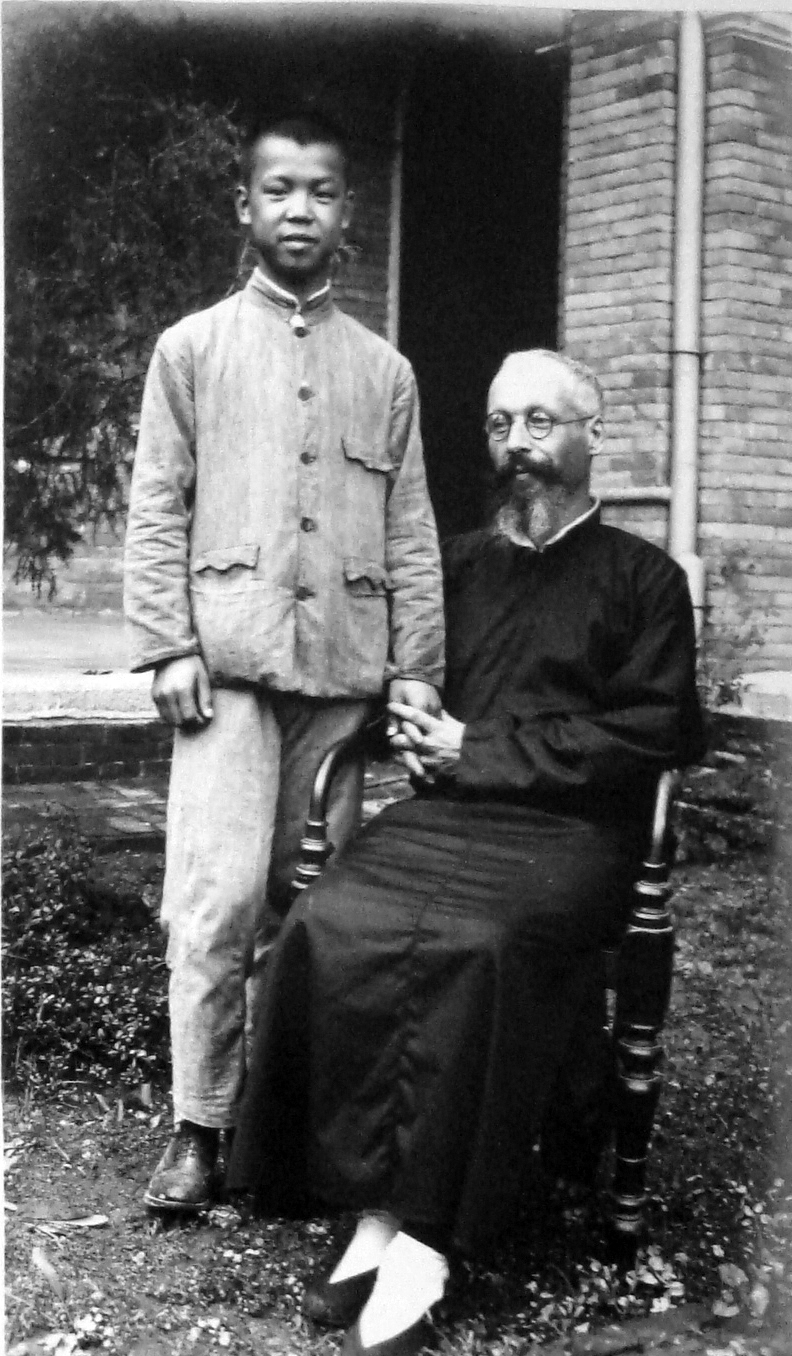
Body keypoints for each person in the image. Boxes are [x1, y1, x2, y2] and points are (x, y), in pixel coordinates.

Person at [227, 348, 707, 1356]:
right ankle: (377, 1202)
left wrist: (476, 748)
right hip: (446, 817)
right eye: (500, 424)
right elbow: (410, 676)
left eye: (540, 422)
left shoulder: (646, 579)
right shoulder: (455, 567)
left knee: (483, 944)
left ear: (591, 436)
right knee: (332, 916)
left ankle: (431, 1238)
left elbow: (651, 734)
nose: (517, 444)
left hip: (574, 833)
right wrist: (409, 715)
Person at [123, 111, 444, 1213]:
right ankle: (200, 1125)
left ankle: (280, 1124)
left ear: (347, 214)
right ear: (245, 207)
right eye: (279, 190)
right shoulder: (192, 350)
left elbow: (410, 529)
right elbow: (157, 505)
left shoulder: (385, 370)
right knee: (213, 903)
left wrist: (415, 666)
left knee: (309, 907)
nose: (299, 210)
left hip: (342, 678)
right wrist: (167, 643)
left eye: (322, 191)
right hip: (226, 673)